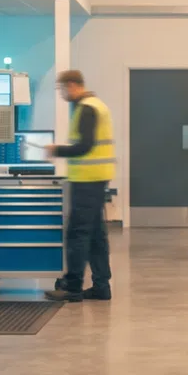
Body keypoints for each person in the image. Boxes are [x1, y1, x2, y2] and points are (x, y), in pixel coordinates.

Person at [46, 69, 114, 302]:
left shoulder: (87, 108)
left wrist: (57, 150)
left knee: (77, 233)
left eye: (63, 89)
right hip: (95, 177)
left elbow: (84, 146)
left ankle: (73, 287)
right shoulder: (96, 105)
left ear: (72, 85)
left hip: (87, 179)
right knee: (95, 235)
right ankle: (101, 286)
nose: (63, 94)